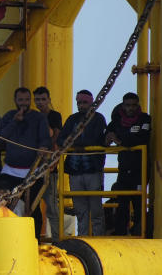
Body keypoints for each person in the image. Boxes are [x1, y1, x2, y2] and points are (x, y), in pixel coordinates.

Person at [0, 87, 52, 237]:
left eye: (26, 100)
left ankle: (34, 240)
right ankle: (7, 237)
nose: (24, 103)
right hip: (10, 171)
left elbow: (45, 139)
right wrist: (15, 121)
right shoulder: (9, 116)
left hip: (32, 172)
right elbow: (0, 137)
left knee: (32, 208)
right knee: (5, 204)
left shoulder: (39, 118)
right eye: (20, 100)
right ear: (15, 101)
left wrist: (43, 146)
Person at [58, 90, 107, 236]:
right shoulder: (72, 119)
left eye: (84, 102)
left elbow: (98, 138)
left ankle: (98, 238)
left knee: (96, 209)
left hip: (92, 170)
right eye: (79, 102)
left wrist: (74, 143)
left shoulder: (98, 119)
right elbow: (61, 139)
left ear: (91, 102)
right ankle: (83, 237)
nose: (81, 105)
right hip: (75, 171)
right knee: (81, 210)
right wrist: (75, 143)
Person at [106, 92, 151, 235]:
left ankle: (140, 232)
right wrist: (109, 137)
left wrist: (120, 141)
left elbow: (142, 139)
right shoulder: (117, 121)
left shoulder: (145, 119)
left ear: (137, 105)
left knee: (138, 202)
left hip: (140, 169)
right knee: (122, 203)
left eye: (133, 105)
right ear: (123, 106)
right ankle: (120, 232)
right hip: (124, 169)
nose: (130, 108)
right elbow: (106, 137)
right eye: (127, 105)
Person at [33, 86, 63, 240]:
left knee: (51, 206)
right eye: (37, 100)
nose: (41, 103)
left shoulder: (55, 116)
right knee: (32, 206)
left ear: (49, 100)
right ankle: (35, 237)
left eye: (43, 99)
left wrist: (52, 162)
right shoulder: (33, 117)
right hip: (34, 168)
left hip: (49, 168)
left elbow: (56, 138)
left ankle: (58, 239)